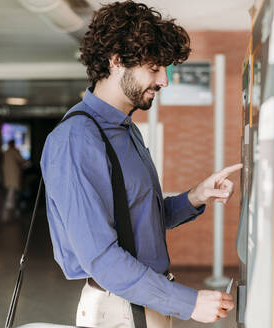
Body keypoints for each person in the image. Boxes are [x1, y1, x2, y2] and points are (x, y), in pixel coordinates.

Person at [40, 1, 241, 327]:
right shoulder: (76, 139)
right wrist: (188, 302)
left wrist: (195, 196)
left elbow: (137, 221)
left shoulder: (127, 129)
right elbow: (101, 258)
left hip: (147, 298)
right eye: (154, 69)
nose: (165, 81)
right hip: (118, 308)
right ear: (117, 61)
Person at [2, 139, 26, 221]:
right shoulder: (14, 151)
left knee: (11, 189)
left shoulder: (6, 152)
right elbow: (22, 160)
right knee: (13, 190)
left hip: (8, 174)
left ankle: (10, 206)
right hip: (14, 174)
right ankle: (10, 206)